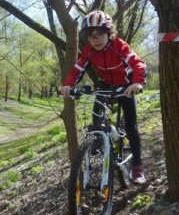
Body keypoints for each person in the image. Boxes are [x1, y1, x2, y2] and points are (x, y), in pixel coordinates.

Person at [61, 10, 147, 184]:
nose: (94, 39)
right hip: (106, 83)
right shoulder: (88, 51)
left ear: (108, 32)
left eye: (99, 34)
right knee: (97, 114)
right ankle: (97, 140)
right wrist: (68, 84)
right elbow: (78, 69)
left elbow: (137, 63)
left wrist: (137, 83)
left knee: (131, 126)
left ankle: (138, 166)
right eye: (90, 35)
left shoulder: (119, 45)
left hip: (126, 84)